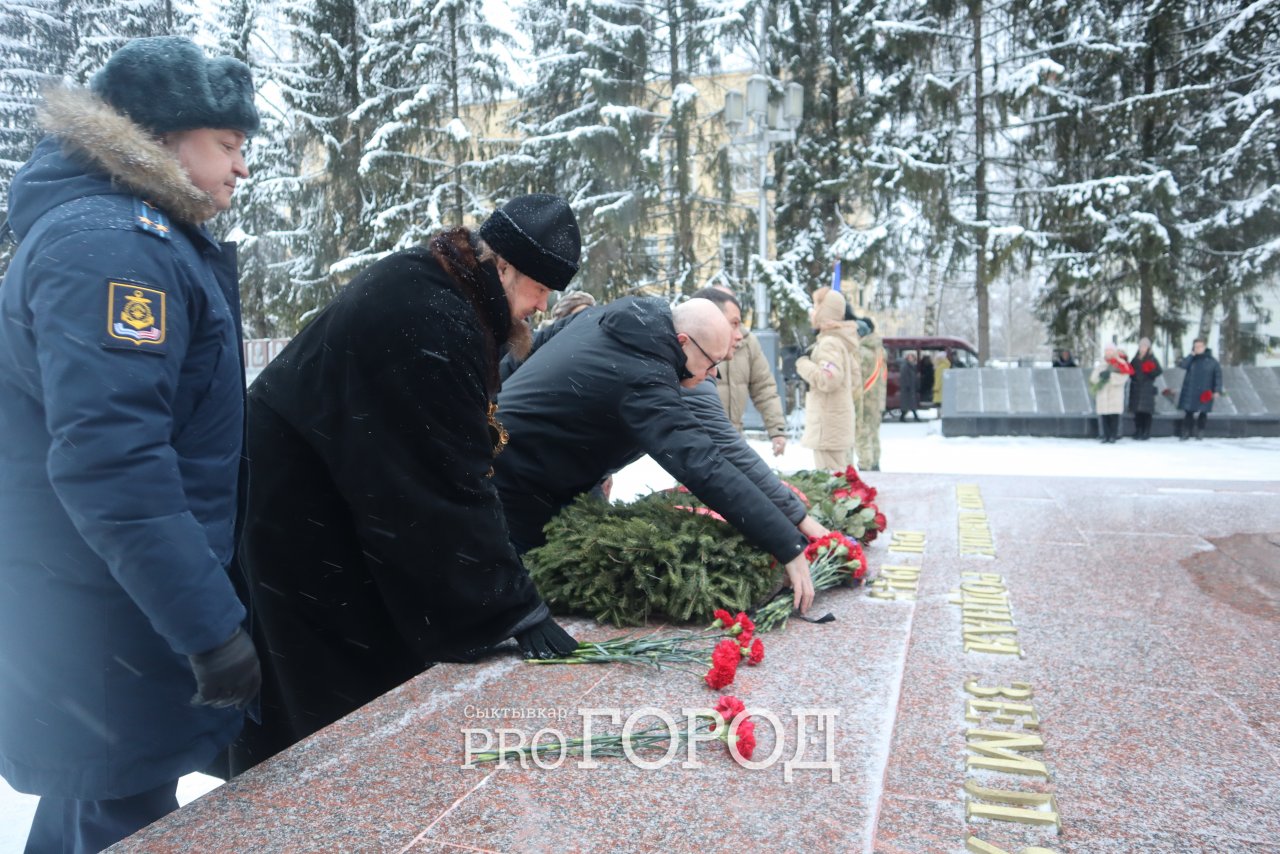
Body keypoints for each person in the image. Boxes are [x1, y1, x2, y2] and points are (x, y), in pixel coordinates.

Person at [0, 36, 262, 851]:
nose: (241, 168)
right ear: (160, 134)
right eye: (227, 145)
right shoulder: (117, 249)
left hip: (102, 602)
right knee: (116, 807)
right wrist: (209, 626)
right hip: (98, 614)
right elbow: (113, 462)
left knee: (98, 800)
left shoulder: (131, 234)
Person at [230, 194, 583, 774]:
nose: (541, 308)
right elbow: (443, 487)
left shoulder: (438, 286)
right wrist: (510, 608)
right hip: (300, 517)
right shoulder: (434, 315)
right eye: (539, 289)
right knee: (329, 701)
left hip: (314, 494)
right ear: (504, 267)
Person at [493, 297, 816, 613]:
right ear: (683, 341)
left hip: (531, 462)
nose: (714, 374)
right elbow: (700, 463)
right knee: (534, 591)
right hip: (520, 480)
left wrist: (490, 405)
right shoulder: (645, 376)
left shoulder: (604, 317)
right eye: (712, 362)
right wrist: (785, 543)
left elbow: (523, 354)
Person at [711, 286, 788, 457]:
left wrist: (777, 430)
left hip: (734, 436)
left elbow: (764, 388)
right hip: (701, 439)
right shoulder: (699, 340)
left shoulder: (747, 342)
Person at [796, 287, 861, 471]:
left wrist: (803, 364)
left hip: (828, 429)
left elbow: (828, 380)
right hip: (836, 426)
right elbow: (854, 379)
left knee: (833, 484)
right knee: (843, 480)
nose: (812, 312)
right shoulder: (841, 341)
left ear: (824, 312)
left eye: (816, 307)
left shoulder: (829, 343)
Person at [852, 313, 886, 471]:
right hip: (876, 398)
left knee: (862, 432)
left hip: (864, 398)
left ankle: (865, 465)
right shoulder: (879, 351)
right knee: (873, 433)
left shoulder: (863, 353)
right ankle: (874, 462)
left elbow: (857, 379)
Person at [1176, 338, 1222, 441]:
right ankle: (1186, 432)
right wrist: (1191, 355)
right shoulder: (1191, 359)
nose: (1198, 349)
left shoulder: (1212, 361)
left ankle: (1200, 431)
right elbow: (1183, 365)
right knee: (1188, 412)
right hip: (1191, 389)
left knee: (1203, 412)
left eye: (1200, 346)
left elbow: (1217, 376)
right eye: (1196, 346)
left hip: (1205, 390)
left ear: (1204, 347)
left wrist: (1217, 390)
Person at [1091, 345, 1131, 443]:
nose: (1108, 353)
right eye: (1107, 351)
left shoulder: (1120, 363)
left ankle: (1113, 435)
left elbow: (1124, 377)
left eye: (1110, 351)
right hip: (1103, 394)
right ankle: (1105, 436)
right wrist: (1100, 376)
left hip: (1115, 394)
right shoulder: (1101, 364)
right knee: (1104, 416)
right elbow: (1093, 378)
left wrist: (1111, 376)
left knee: (1114, 416)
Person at [1127, 337, 1162, 440]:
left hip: (1147, 388)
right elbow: (1131, 370)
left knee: (1146, 412)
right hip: (1136, 388)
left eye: (1145, 346)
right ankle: (1138, 431)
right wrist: (1133, 376)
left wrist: (1150, 371)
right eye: (1141, 346)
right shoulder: (1136, 358)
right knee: (1137, 412)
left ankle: (1146, 432)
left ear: (1148, 347)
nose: (1142, 348)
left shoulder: (1152, 359)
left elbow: (1158, 371)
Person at [898, 351, 921, 421]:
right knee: (909, 403)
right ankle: (915, 417)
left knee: (909, 403)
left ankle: (903, 417)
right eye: (910, 357)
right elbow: (904, 377)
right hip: (907, 388)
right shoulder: (905, 366)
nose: (912, 358)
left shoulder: (911, 365)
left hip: (911, 387)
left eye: (913, 357)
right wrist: (907, 385)